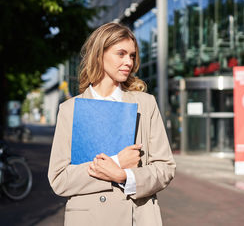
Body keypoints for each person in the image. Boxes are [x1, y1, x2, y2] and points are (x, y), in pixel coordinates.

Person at [48, 22, 176, 226]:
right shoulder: (70, 109)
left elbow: (165, 168)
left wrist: (125, 176)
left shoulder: (145, 104)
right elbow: (59, 179)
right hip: (88, 218)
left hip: (137, 217)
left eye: (132, 55)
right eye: (121, 54)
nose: (129, 62)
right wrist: (116, 162)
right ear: (99, 54)